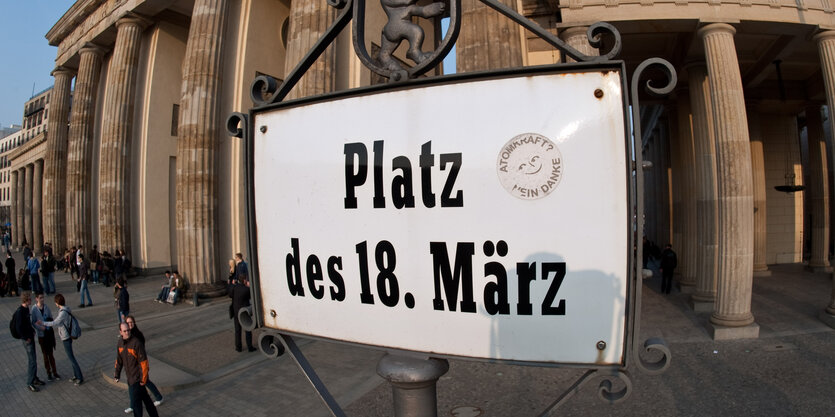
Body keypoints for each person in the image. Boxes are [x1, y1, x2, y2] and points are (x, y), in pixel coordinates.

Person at [115, 322, 159, 417]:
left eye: (128, 330)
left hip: (137, 379)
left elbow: (144, 363)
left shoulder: (136, 343)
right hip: (130, 378)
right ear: (120, 332)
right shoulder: (120, 343)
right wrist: (117, 374)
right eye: (125, 331)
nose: (127, 332)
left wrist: (143, 379)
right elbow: (119, 360)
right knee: (146, 399)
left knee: (136, 403)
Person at [38, 294, 84, 385]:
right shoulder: (65, 309)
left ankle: (79, 377)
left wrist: (43, 323)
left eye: (55, 302)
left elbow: (55, 322)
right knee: (71, 357)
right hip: (67, 336)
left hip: (66, 337)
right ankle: (76, 375)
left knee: (71, 358)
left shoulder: (63, 312)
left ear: (57, 303)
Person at [123, 316, 163, 413]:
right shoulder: (127, 334)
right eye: (128, 323)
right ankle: (133, 405)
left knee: (145, 381)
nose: (130, 324)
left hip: (139, 364)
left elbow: (140, 351)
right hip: (131, 366)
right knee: (132, 384)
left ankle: (158, 397)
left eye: (131, 322)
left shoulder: (138, 335)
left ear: (134, 323)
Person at [15, 291, 45, 392]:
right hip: (27, 340)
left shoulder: (26, 309)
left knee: (34, 359)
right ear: (26, 300)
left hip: (30, 337)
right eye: (29, 299)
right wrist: (25, 337)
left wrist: (32, 331)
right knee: (32, 361)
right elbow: (19, 328)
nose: (31, 300)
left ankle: (35, 378)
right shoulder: (20, 311)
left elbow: (27, 323)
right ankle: (30, 382)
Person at [30, 293, 60, 381]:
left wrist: (48, 324)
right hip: (41, 335)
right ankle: (48, 372)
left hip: (48, 335)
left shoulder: (46, 307)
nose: (42, 299)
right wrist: (40, 328)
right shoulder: (34, 309)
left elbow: (51, 318)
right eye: (40, 298)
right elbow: (33, 322)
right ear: (36, 299)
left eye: (43, 297)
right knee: (45, 355)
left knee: (51, 354)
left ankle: (55, 372)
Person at [230, 276, 256, 352]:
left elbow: (230, 295)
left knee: (237, 330)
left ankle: (238, 347)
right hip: (244, 312)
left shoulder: (234, 288)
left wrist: (232, 285)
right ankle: (249, 347)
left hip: (236, 311)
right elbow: (252, 296)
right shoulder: (246, 290)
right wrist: (249, 286)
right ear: (244, 280)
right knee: (247, 329)